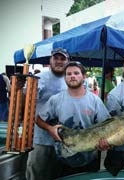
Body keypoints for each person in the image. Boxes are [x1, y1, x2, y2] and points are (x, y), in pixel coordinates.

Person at [36, 61, 111, 177]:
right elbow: (39, 119)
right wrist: (50, 128)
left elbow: (106, 125)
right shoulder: (55, 100)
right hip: (62, 160)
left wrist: (105, 142)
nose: (72, 76)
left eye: (76, 73)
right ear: (65, 77)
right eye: (69, 74)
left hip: (89, 160)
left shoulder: (94, 101)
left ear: (84, 76)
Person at [26, 48, 70, 180]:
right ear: (50, 60)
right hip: (41, 140)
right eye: (56, 58)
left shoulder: (71, 78)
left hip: (63, 140)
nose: (59, 61)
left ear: (68, 61)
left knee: (58, 175)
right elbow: (26, 103)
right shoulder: (40, 78)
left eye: (63, 59)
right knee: (37, 173)